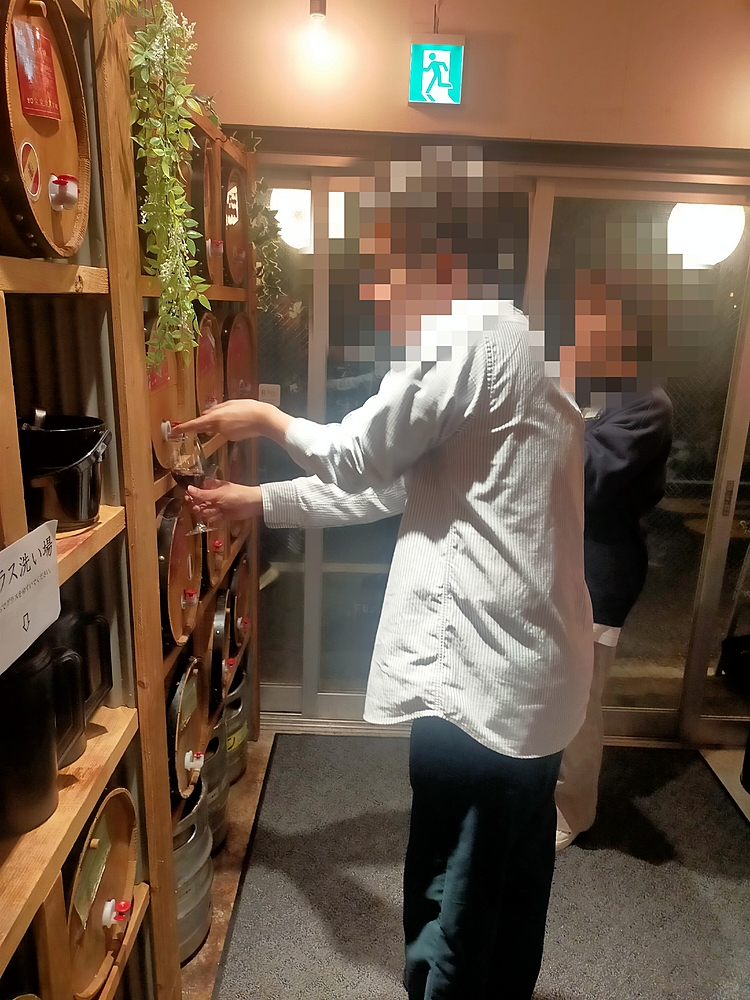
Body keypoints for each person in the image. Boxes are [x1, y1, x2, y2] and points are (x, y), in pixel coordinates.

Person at [554, 269, 673, 850]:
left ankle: (573, 811)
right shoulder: (584, 391)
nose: (582, 331)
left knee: (580, 700)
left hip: (602, 571)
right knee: (551, 686)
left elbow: (591, 478)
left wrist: (551, 416)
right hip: (557, 562)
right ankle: (540, 791)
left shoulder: (647, 403)